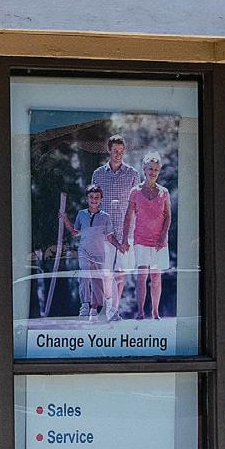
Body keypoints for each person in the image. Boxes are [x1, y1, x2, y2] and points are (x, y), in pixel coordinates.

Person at [90, 135, 138, 319]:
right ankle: (108, 308)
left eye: (121, 151)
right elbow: (94, 203)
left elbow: (136, 206)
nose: (118, 154)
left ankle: (114, 311)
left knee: (121, 273)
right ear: (109, 150)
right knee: (106, 273)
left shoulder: (132, 174)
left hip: (126, 231)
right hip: (105, 232)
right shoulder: (98, 174)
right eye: (115, 151)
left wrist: (129, 235)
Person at [121, 153, 172, 320]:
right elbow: (128, 217)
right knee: (142, 275)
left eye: (156, 169)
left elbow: (168, 217)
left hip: (159, 241)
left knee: (156, 276)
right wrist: (125, 239)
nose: (153, 172)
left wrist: (163, 236)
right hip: (141, 239)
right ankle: (141, 312)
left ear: (159, 171)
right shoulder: (135, 192)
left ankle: (155, 312)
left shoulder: (164, 192)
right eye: (150, 169)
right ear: (144, 169)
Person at [59, 185, 113, 322]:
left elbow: (110, 237)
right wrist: (65, 219)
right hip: (84, 251)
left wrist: (120, 246)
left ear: (101, 200)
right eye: (91, 197)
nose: (94, 200)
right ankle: (85, 304)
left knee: (97, 280)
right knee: (84, 274)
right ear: (87, 199)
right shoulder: (81, 214)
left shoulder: (105, 217)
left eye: (97, 197)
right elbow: (74, 232)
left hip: (99, 253)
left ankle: (94, 308)